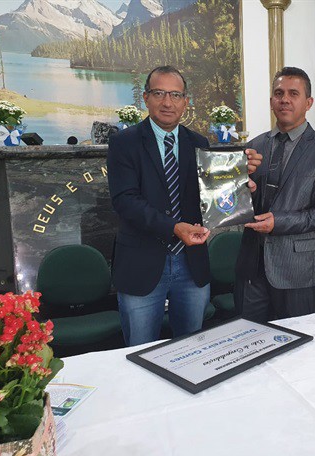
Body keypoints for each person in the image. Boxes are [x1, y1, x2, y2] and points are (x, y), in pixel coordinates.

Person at [107, 65, 261, 346]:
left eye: (175, 95)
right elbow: (125, 201)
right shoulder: (124, 143)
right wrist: (174, 227)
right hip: (141, 264)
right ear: (146, 97)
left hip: (192, 264)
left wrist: (239, 184)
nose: (168, 102)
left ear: (185, 102)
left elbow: (207, 193)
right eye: (159, 93)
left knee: (191, 348)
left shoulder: (198, 143)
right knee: (140, 348)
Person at [234, 66, 315, 323]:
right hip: (252, 265)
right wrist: (246, 190)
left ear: (308, 103)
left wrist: (280, 222)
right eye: (279, 93)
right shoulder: (254, 147)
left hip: (297, 268)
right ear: (271, 100)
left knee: (297, 339)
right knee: (249, 336)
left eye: (293, 93)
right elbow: (240, 204)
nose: (284, 99)